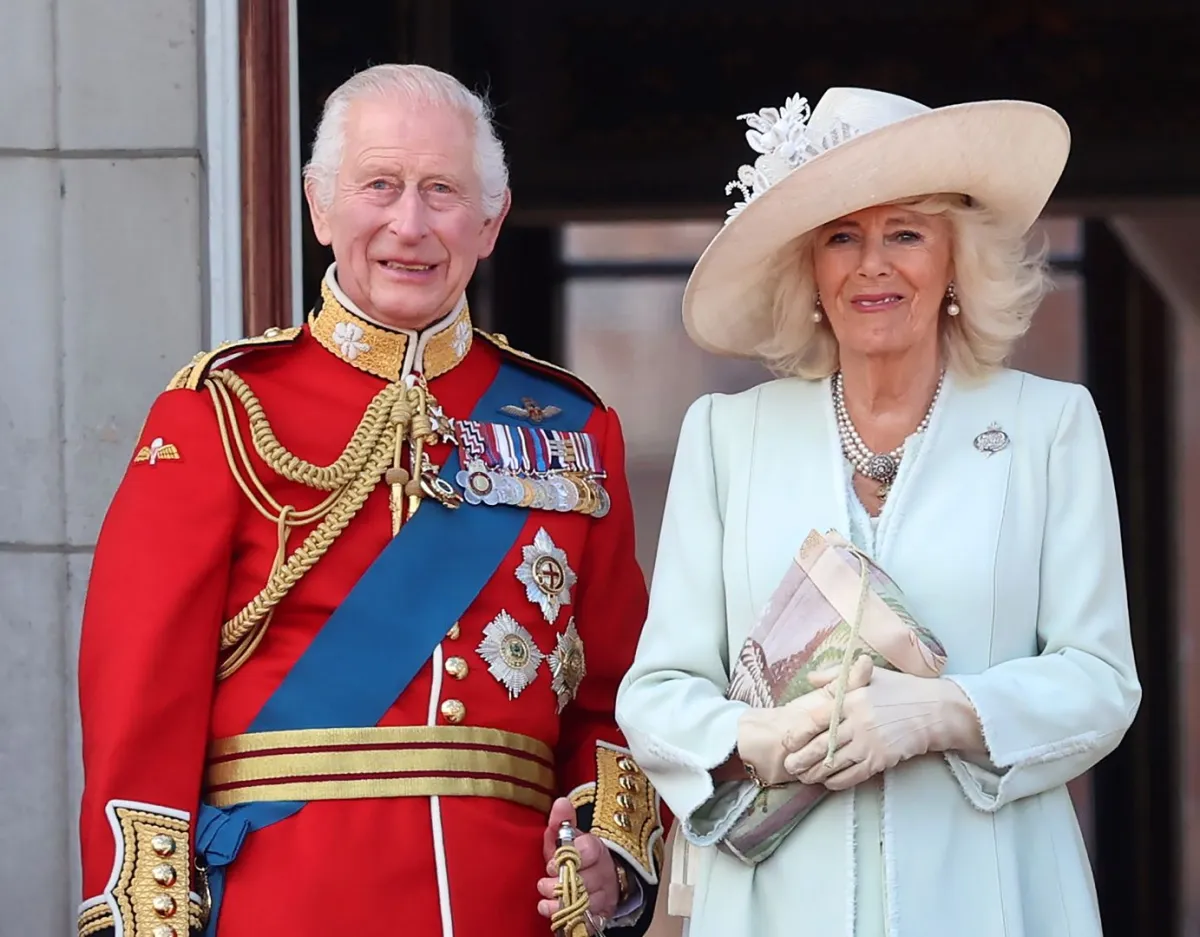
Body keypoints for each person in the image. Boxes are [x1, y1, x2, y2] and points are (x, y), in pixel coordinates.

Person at [76, 63, 665, 937]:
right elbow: (139, 702)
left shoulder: (576, 427)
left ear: (492, 220)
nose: (411, 224)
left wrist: (607, 853)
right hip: (281, 904)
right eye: (380, 185)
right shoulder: (221, 412)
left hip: (500, 906)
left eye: (442, 191)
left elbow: (616, 694)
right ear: (320, 206)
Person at [615, 87, 1140, 937]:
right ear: (809, 269)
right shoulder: (726, 434)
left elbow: (1101, 681)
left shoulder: (1051, 426)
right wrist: (758, 734)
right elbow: (657, 695)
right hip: (772, 908)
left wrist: (946, 711)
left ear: (956, 260)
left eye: (905, 232)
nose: (873, 264)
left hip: (993, 898)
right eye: (841, 236)